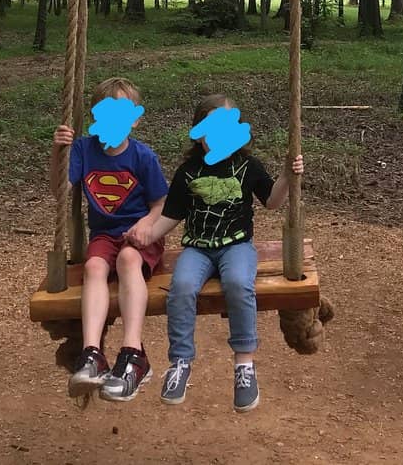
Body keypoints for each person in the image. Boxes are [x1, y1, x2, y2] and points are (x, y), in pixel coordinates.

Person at [126, 92, 304, 413]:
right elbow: (171, 215)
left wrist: (288, 177)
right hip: (198, 248)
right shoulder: (188, 171)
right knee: (180, 288)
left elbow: (273, 201)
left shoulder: (247, 165)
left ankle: (244, 365)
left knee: (238, 283)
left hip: (236, 245)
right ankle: (180, 361)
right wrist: (145, 233)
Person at [50, 76, 168, 401]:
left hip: (141, 236)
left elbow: (162, 205)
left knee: (128, 259)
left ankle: (133, 354)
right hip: (104, 235)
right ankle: (92, 355)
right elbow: (60, 192)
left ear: (136, 118)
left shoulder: (143, 157)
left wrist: (147, 225)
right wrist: (57, 152)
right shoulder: (84, 149)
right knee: (94, 268)